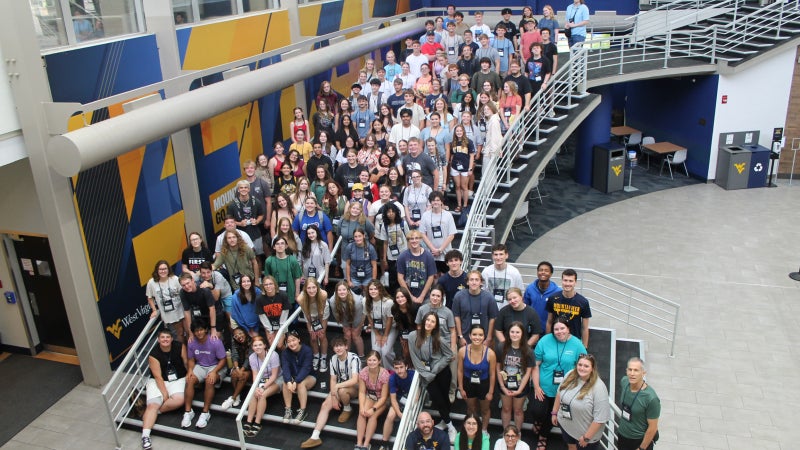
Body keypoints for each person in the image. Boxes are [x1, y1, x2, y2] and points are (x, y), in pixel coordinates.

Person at [531, 317, 587, 450]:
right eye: (556, 329)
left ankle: (543, 436)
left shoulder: (577, 344)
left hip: (565, 390)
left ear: (568, 329)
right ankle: (538, 422)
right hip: (545, 387)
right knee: (537, 411)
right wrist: (537, 387)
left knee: (553, 415)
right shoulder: (544, 341)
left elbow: (584, 366)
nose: (559, 331)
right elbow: (535, 365)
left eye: (562, 328)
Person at [301, 337, 362, 448]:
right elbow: (333, 379)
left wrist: (337, 387)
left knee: (342, 390)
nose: (338, 348)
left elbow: (354, 380)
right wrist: (333, 396)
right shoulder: (333, 359)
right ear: (333, 349)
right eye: (335, 346)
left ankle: (347, 408)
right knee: (325, 405)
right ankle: (315, 436)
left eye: (340, 345)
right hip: (339, 386)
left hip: (355, 388)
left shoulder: (354, 358)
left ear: (346, 346)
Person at [409, 312, 457, 442]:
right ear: (423, 321)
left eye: (432, 321)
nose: (429, 323)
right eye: (428, 320)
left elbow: (449, 355)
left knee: (444, 399)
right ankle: (451, 426)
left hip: (441, 373)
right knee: (438, 400)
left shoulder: (439, 339)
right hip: (427, 375)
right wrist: (426, 375)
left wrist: (435, 370)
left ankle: (444, 421)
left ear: (436, 325)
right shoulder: (413, 336)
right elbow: (415, 359)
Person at [141, 328, 187, 449]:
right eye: (162, 337)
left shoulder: (180, 346)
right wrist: (164, 393)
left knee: (179, 400)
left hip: (178, 379)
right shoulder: (154, 354)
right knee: (152, 405)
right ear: (158, 339)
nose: (165, 339)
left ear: (172, 339)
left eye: (167, 337)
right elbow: (157, 376)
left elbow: (186, 362)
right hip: (159, 381)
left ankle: (155, 413)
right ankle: (145, 436)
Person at [552, 354, 610, 450]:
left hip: (585, 435)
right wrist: (554, 412)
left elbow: (600, 419)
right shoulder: (570, 374)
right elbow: (559, 393)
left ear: (592, 368)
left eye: (586, 366)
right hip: (566, 425)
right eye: (580, 365)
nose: (582, 368)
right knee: (571, 446)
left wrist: (586, 438)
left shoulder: (599, 388)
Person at [181, 320, 227, 429]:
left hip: (216, 366)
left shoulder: (215, 341)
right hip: (200, 366)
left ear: (206, 330)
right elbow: (191, 359)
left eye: (201, 330)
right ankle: (188, 412)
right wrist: (190, 370)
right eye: (196, 331)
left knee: (209, 381)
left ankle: (205, 412)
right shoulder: (191, 342)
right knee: (190, 380)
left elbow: (223, 360)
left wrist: (214, 372)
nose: (199, 333)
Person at [457, 324, 497, 435]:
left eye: (480, 335)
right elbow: (459, 370)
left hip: (484, 384)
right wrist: (460, 387)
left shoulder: (490, 354)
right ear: (469, 336)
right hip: (468, 383)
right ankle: (472, 428)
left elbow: (493, 374)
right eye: (474, 334)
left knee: (485, 409)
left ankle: (484, 430)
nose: (477, 337)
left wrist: (491, 392)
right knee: (471, 409)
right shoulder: (462, 351)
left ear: (484, 337)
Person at [496, 322, 534, 433]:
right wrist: (503, 387)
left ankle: (517, 433)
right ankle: (506, 433)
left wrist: (520, 390)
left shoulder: (528, 351)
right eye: (512, 332)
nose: (514, 334)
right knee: (506, 409)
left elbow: (528, 373)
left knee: (518, 410)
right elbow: (498, 367)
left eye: (517, 332)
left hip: (520, 387)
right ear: (508, 333)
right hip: (505, 385)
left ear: (522, 334)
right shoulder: (501, 347)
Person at [617, 357, 660, 450]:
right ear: (626, 371)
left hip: (639, 441)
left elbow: (653, 428)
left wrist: (641, 448)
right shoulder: (624, 382)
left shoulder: (651, 398)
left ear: (643, 373)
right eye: (630, 370)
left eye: (636, 370)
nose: (632, 374)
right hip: (623, 436)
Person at [243, 335, 281, 437]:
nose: (258, 347)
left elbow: (274, 375)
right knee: (253, 393)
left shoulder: (273, 355)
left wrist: (262, 387)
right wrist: (256, 387)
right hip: (262, 381)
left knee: (262, 395)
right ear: (252, 347)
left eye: (260, 344)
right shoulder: (252, 357)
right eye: (255, 345)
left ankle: (257, 423)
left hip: (276, 380)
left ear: (265, 345)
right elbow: (255, 374)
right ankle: (249, 421)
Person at [546, 268, 591, 349]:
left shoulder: (583, 302)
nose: (567, 283)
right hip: (555, 340)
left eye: (571, 281)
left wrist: (584, 348)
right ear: (562, 281)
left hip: (573, 342)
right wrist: (547, 341)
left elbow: (585, 328)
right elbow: (549, 322)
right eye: (565, 280)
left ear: (575, 282)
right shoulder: (552, 298)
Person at [355, 350, 391, 450]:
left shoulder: (384, 374)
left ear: (379, 361)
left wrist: (373, 409)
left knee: (372, 416)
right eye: (369, 360)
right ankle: (358, 444)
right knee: (362, 413)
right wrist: (362, 407)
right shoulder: (363, 372)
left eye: (374, 360)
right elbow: (362, 392)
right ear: (366, 361)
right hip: (370, 396)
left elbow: (384, 397)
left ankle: (366, 444)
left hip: (382, 399)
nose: (372, 362)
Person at [452, 271, 498, 349]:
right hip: (465, 338)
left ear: (481, 282)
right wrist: (460, 337)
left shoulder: (489, 298)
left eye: (477, 280)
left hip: (483, 338)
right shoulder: (459, 296)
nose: (474, 282)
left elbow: (492, 318)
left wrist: (489, 338)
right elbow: (456, 317)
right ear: (467, 282)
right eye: (471, 280)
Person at [227, 180, 265, 274]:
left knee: (257, 257)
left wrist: (257, 221)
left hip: (255, 233)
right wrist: (239, 223)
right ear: (238, 190)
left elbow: (261, 215)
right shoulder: (232, 205)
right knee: (243, 258)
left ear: (249, 189)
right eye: (241, 188)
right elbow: (229, 221)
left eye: (245, 187)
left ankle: (258, 278)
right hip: (240, 235)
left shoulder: (256, 201)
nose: (243, 189)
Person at [281, 330, 317, 424]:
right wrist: (289, 381)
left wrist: (296, 381)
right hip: (293, 376)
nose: (292, 343)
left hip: (309, 376)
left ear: (299, 339)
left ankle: (302, 410)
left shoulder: (307, 350)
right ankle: (288, 409)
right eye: (288, 342)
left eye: (293, 340)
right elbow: (285, 368)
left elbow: (306, 368)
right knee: (285, 382)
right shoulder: (285, 352)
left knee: (301, 383)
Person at [147, 260, 186, 341]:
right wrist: (154, 310)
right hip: (168, 317)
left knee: (185, 333)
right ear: (157, 270)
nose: (163, 271)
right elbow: (149, 297)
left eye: (165, 268)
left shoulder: (175, 279)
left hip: (181, 312)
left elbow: (184, 293)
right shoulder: (151, 282)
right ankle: (182, 352)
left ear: (168, 269)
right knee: (177, 336)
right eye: (160, 269)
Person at [297, 277, 330, 372]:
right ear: (305, 289)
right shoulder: (301, 298)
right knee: (313, 336)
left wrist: (319, 328)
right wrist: (312, 328)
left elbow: (321, 313)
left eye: (313, 287)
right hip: (309, 314)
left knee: (322, 335)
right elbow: (307, 315)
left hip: (322, 313)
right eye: (309, 288)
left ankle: (323, 357)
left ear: (317, 287)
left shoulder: (323, 294)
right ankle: (316, 356)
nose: (311, 290)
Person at [419, 191, 457, 273]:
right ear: (430, 202)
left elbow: (451, 235)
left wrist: (440, 250)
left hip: (446, 252)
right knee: (433, 277)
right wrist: (433, 249)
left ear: (441, 201)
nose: (435, 202)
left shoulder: (448, 215)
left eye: (438, 200)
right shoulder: (425, 215)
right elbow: (422, 234)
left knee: (445, 276)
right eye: (433, 200)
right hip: (430, 253)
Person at [397, 230, 437, 304]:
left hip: (425, 296)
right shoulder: (402, 257)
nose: (414, 241)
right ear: (408, 240)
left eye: (416, 238)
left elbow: (431, 277)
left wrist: (422, 296)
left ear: (420, 239)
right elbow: (400, 277)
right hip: (407, 296)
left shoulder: (428, 256)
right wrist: (410, 296)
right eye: (411, 239)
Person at [364, 280, 396, 368]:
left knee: (385, 352)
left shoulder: (388, 302)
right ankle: (380, 371)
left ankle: (390, 370)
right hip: (376, 329)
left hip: (390, 328)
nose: (373, 291)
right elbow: (369, 318)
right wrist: (377, 334)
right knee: (376, 351)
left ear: (380, 290)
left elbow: (390, 319)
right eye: (371, 289)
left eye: (375, 289)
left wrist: (385, 335)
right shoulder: (365, 301)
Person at [179, 274, 221, 340]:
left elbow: (212, 308)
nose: (186, 286)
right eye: (183, 285)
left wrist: (213, 328)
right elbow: (187, 311)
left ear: (192, 280)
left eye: (188, 283)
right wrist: (190, 332)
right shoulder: (182, 292)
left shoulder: (204, 290)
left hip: (214, 313)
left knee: (216, 336)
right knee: (198, 336)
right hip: (199, 314)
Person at [482, 244, 525, 309]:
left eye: (501, 254)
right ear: (492, 256)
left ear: (506, 255)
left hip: (509, 311)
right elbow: (482, 291)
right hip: (490, 310)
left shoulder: (514, 272)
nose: (498, 257)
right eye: (496, 255)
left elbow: (521, 292)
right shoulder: (486, 272)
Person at [523, 261, 561, 333]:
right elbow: (525, 307)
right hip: (532, 329)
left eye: (546, 271)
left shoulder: (557, 292)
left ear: (551, 274)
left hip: (549, 330)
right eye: (541, 270)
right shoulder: (530, 288)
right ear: (537, 272)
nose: (543, 272)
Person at [332, 281, 366, 358]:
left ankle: (362, 356)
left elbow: (362, 314)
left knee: (355, 335)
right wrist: (345, 325)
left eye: (344, 289)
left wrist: (358, 327)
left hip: (358, 315)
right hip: (344, 316)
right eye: (339, 290)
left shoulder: (357, 301)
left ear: (348, 290)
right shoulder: (332, 301)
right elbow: (336, 314)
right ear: (336, 291)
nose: (342, 292)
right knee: (347, 334)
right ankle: (346, 356)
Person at [255, 276, 290, 349]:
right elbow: (262, 316)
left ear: (275, 284)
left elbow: (285, 313)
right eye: (266, 284)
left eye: (270, 284)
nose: (268, 286)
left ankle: (286, 350)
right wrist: (270, 330)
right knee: (272, 346)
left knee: (279, 345)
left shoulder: (283, 295)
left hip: (281, 324)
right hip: (268, 325)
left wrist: (281, 329)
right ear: (263, 286)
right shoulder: (259, 299)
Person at [222, 327, 252, 411]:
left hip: (251, 368)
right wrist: (237, 368)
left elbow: (248, 359)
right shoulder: (234, 342)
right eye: (235, 336)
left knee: (243, 376)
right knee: (234, 374)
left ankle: (232, 398)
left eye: (240, 333)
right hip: (240, 366)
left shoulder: (251, 342)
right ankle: (237, 396)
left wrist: (241, 370)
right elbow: (234, 356)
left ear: (245, 333)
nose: (238, 336)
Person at [449, 124, 476, 212]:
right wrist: (450, 167)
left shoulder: (469, 142)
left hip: (465, 167)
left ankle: (465, 205)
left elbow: (472, 156)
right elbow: (452, 155)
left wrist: (470, 168)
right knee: (457, 186)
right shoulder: (453, 142)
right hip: (455, 167)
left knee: (464, 186)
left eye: (460, 131)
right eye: (457, 131)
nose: (459, 132)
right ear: (455, 132)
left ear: (463, 131)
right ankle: (459, 205)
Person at [391, 287, 420, 364]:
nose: (400, 299)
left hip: (416, 332)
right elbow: (399, 324)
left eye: (402, 296)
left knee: (416, 352)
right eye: (397, 297)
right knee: (406, 353)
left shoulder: (414, 307)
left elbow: (418, 324)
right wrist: (402, 337)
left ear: (407, 297)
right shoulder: (394, 308)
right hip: (403, 332)